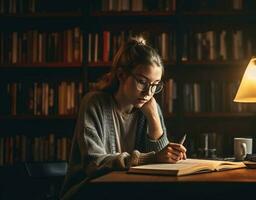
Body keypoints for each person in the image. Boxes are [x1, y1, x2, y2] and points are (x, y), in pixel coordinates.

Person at [60, 37, 187, 199]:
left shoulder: (149, 106)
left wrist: (154, 119)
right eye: (142, 82)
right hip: (88, 191)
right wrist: (150, 158)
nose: (148, 92)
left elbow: (160, 165)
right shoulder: (94, 103)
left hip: (128, 191)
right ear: (121, 75)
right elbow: (94, 163)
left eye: (155, 85)